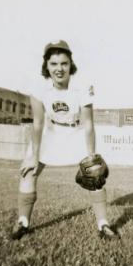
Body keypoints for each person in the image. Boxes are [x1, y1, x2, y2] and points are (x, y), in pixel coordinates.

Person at [11, 40, 117, 240]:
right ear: (46, 66)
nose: (59, 69)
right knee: (28, 172)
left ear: (70, 64)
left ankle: (104, 225)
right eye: (53, 64)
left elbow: (88, 124)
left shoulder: (82, 86)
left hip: (76, 131)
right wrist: (34, 156)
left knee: (95, 176)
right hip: (50, 131)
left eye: (64, 63)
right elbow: (37, 124)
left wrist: (91, 155)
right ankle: (23, 223)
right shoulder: (38, 88)